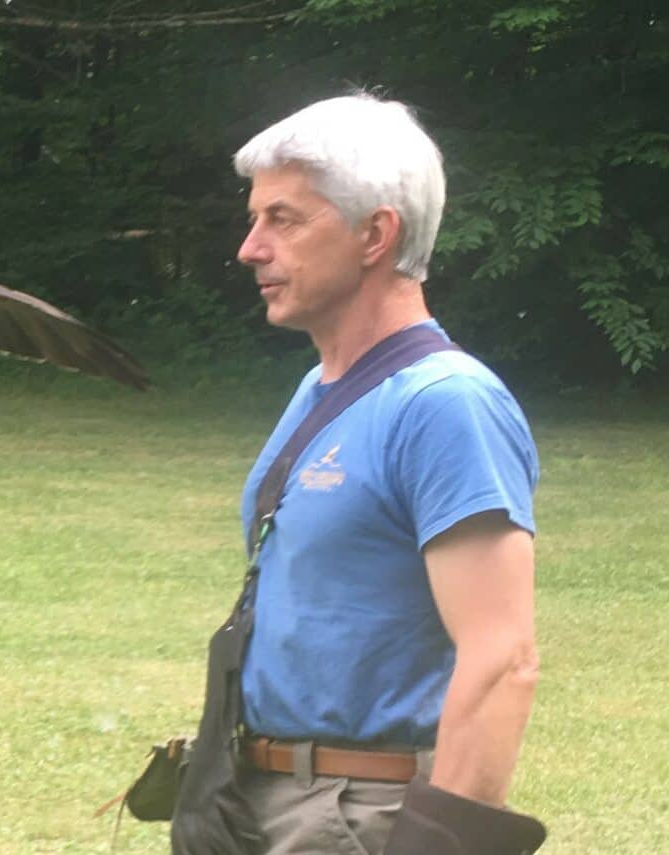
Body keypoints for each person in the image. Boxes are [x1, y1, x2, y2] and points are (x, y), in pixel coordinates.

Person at [185, 95, 544, 853]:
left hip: (362, 815)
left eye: (284, 219)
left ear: (376, 233)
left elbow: (502, 658)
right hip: (262, 796)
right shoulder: (320, 386)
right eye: (256, 219)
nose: (251, 247)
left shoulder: (447, 404)